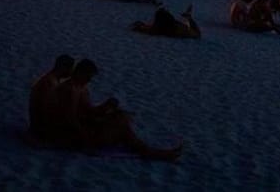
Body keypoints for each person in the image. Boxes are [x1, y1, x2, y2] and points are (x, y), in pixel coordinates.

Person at [46, 58, 183, 160]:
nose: (90, 80)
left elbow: (89, 111)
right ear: (81, 73)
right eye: (89, 76)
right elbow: (69, 119)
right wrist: (87, 136)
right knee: (121, 126)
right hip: (77, 134)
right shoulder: (69, 89)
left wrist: (106, 106)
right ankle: (150, 152)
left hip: (85, 127)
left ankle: (149, 151)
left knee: (121, 117)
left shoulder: (81, 88)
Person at [29, 54, 75, 141]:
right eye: (70, 68)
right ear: (63, 67)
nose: (71, 72)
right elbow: (45, 108)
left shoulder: (51, 80)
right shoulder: (49, 82)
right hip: (42, 128)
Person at [132, 5, 201, 39]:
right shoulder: (168, 26)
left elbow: (150, 28)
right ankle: (188, 16)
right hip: (178, 29)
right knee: (195, 33)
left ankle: (188, 16)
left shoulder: (159, 27)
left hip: (176, 28)